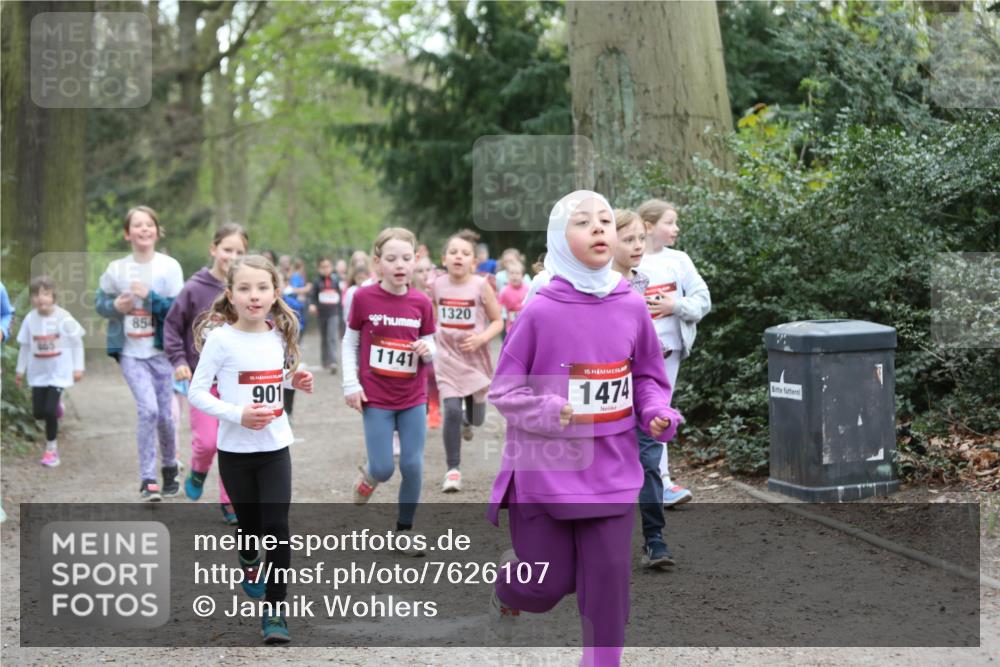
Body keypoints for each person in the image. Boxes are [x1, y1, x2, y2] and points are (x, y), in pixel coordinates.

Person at [486, 191, 680, 667]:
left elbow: (647, 377)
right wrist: (546, 410)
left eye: (605, 220)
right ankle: (510, 584)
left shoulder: (631, 305)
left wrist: (656, 411)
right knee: (546, 585)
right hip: (546, 472)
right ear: (558, 237)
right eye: (582, 221)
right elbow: (504, 391)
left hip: (612, 472)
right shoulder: (540, 309)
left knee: (607, 587)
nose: (598, 228)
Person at [188, 255, 314, 644]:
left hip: (275, 446)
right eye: (244, 288)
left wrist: (295, 380)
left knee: (277, 528)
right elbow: (197, 393)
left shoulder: (279, 335)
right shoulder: (220, 340)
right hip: (236, 452)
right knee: (250, 527)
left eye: (262, 288)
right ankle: (247, 556)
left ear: (275, 293)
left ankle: (275, 610)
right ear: (231, 295)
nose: (254, 296)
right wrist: (237, 414)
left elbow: (274, 378)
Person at [341, 229, 435, 548]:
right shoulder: (363, 298)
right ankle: (369, 475)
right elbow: (350, 341)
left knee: (412, 465)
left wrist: (428, 349)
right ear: (378, 263)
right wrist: (350, 384)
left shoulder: (421, 302)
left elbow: (431, 341)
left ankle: (404, 531)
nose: (400, 265)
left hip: (413, 396)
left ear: (415, 261)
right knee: (383, 468)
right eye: (392, 259)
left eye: (406, 258)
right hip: (376, 397)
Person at [96, 205, 184, 501]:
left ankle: (169, 466)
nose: (144, 229)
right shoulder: (116, 269)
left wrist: (150, 297)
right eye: (137, 225)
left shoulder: (169, 267)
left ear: (157, 231)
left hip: (161, 352)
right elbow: (100, 303)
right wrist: (114, 307)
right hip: (130, 353)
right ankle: (148, 479)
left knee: (166, 417)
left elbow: (177, 311)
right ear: (127, 234)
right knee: (149, 410)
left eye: (149, 224)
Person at [164, 223, 249, 523]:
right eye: (227, 249)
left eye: (239, 251)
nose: (232, 256)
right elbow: (172, 327)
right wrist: (178, 360)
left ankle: (230, 502)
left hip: (235, 382)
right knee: (208, 443)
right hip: (201, 381)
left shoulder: (246, 289)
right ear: (214, 249)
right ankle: (199, 470)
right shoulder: (194, 288)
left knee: (230, 444)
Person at [637, 199, 711, 507]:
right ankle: (630, 482)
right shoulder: (627, 258)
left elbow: (703, 299)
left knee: (659, 412)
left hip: (669, 354)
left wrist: (675, 305)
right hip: (630, 352)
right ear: (648, 225)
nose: (676, 228)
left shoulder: (679, 260)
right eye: (669, 222)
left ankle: (662, 482)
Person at [612, 209, 674, 568]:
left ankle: (655, 539)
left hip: (643, 386)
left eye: (640, 239)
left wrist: (654, 349)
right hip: (606, 388)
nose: (638, 246)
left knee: (649, 462)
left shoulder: (643, 280)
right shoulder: (594, 287)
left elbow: (642, 330)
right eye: (628, 240)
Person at [431, 229, 503, 492]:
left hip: (475, 358)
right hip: (447, 357)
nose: (458, 257)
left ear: (474, 262)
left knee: (477, 418)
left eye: (464, 253)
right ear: (444, 259)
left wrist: (481, 338)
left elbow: (498, 321)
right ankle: (453, 470)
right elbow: (433, 316)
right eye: (453, 252)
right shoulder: (437, 285)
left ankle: (467, 421)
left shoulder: (481, 285)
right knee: (450, 409)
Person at [15, 276, 85, 467]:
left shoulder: (63, 317)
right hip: (38, 373)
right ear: (31, 299)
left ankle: (51, 451)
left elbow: (77, 342)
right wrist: (20, 371)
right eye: (36, 295)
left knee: (48, 411)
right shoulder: (30, 319)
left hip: (59, 373)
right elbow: (25, 346)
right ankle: (57, 407)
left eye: (45, 294)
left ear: (54, 296)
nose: (41, 298)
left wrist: (78, 368)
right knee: (38, 413)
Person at [412, 255, 442, 429]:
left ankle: (434, 410)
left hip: (436, 342)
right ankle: (421, 409)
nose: (424, 274)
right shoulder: (409, 294)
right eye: (420, 271)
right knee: (420, 379)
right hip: (416, 344)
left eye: (428, 270)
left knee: (433, 377)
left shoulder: (437, 292)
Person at [308, 257, 343, 374]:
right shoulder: (316, 282)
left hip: (334, 313)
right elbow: (312, 296)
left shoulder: (336, 280)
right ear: (319, 269)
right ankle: (325, 362)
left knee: (332, 337)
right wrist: (312, 305)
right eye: (322, 267)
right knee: (324, 338)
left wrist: (341, 311)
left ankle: (333, 362)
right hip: (321, 314)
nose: (325, 269)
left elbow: (340, 296)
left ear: (331, 267)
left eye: (327, 266)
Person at [496, 259, 530, 334]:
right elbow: (498, 307)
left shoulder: (527, 289)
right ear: (507, 275)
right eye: (511, 273)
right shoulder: (504, 291)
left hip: (526, 324)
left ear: (523, 276)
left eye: (517, 273)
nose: (514, 276)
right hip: (511, 327)